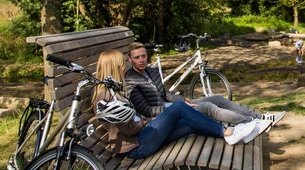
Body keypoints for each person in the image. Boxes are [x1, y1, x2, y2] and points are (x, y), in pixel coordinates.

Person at [92, 50, 270, 159]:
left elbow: (138, 117)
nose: (124, 68)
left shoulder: (114, 91)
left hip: (142, 138)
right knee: (179, 109)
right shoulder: (106, 97)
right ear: (113, 68)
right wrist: (152, 120)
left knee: (190, 124)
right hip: (137, 146)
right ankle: (227, 131)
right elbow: (130, 129)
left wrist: (151, 120)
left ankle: (237, 132)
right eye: (121, 65)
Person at [123, 42, 285, 125]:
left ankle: (260, 117)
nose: (141, 60)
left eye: (143, 56)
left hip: (176, 107)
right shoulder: (131, 80)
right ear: (130, 59)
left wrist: (182, 101)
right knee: (208, 108)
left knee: (218, 99)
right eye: (137, 58)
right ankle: (253, 123)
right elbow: (145, 110)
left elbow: (166, 94)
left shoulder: (152, 71)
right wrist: (178, 107)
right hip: (163, 117)